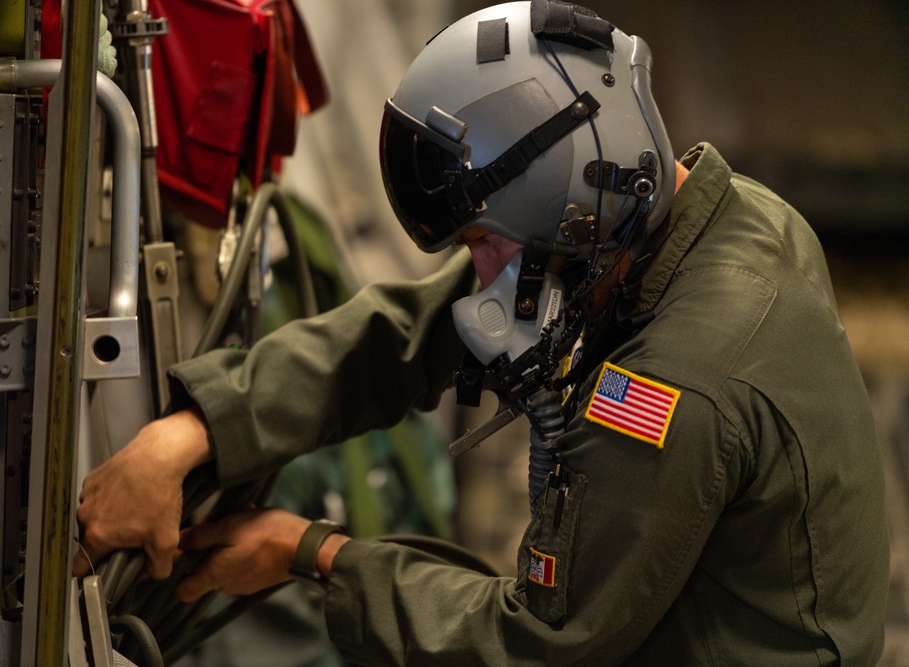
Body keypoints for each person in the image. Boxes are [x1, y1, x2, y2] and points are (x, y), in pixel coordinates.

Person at [76, 1, 889, 663]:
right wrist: (193, 432)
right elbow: (416, 329)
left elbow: (539, 639)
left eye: (482, 242)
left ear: (566, 212)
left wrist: (311, 552)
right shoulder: (704, 218)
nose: (479, 274)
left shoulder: (673, 387)